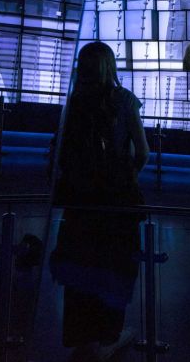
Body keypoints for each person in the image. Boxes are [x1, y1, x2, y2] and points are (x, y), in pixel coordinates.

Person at [50, 41, 149, 361]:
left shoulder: (74, 102)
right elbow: (143, 151)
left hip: (79, 201)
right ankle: (108, 335)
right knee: (114, 267)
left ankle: (82, 335)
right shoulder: (124, 100)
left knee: (80, 265)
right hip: (117, 202)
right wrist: (125, 176)